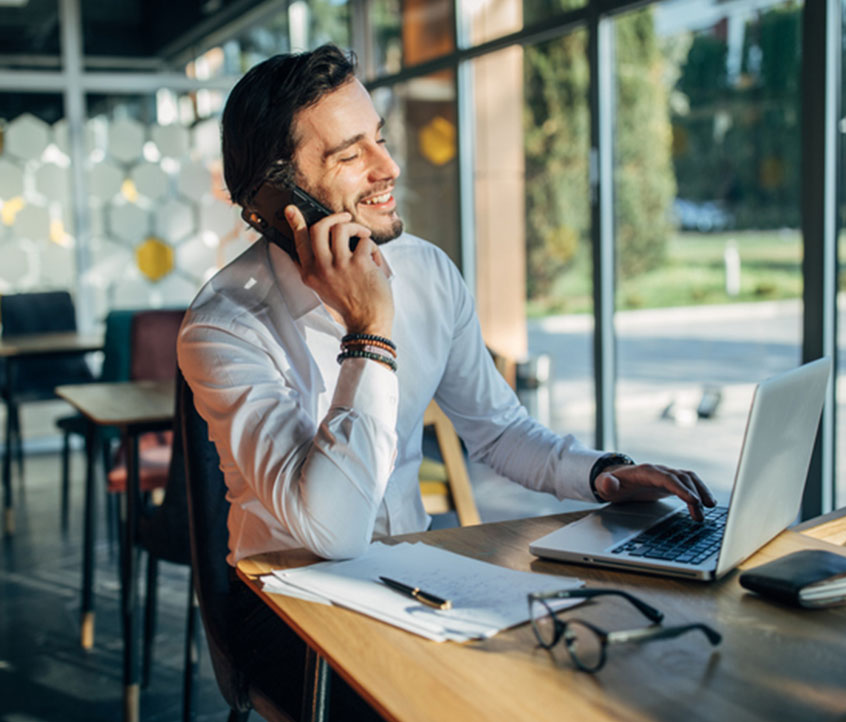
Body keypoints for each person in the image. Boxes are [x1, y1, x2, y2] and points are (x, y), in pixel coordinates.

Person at [177, 44, 715, 719]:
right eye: (350, 155)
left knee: (576, 679)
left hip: (416, 576)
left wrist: (603, 474)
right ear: (274, 197)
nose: (388, 168)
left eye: (379, 138)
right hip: (288, 606)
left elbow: (500, 430)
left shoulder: (429, 274)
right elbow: (334, 534)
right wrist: (368, 329)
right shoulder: (223, 327)